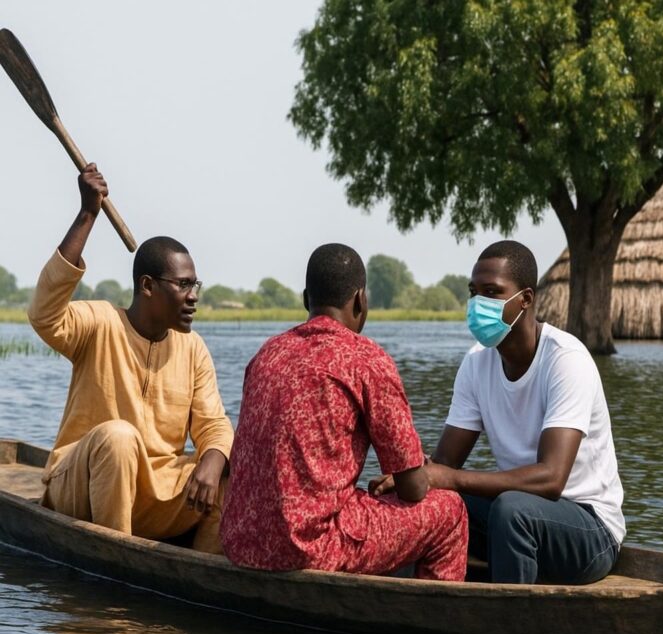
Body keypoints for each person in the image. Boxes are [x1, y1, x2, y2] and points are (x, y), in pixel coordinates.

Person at [372, 240, 625, 584]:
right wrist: (412, 477)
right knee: (421, 498)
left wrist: (450, 478)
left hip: (589, 530)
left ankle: (511, 622)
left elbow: (551, 480)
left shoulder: (566, 360)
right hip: (519, 513)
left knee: (511, 510)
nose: (478, 304)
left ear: (525, 299)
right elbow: (446, 463)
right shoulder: (477, 362)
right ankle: (405, 600)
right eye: (473, 292)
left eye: (492, 292)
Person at [220, 244, 468, 581]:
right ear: (360, 300)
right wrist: (416, 474)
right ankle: (435, 621)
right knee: (450, 511)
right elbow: (413, 490)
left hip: (242, 540)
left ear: (306, 299)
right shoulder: (367, 359)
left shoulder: (267, 354)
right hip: (309, 548)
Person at [29, 164, 233, 553]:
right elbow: (44, 314)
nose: (194, 296)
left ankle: (201, 573)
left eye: (196, 285)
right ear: (148, 287)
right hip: (82, 485)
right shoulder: (101, 322)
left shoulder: (193, 349)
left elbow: (214, 424)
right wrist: (88, 213)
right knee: (119, 437)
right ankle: (119, 560)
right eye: (184, 285)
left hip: (154, 493)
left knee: (231, 464)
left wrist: (214, 458)